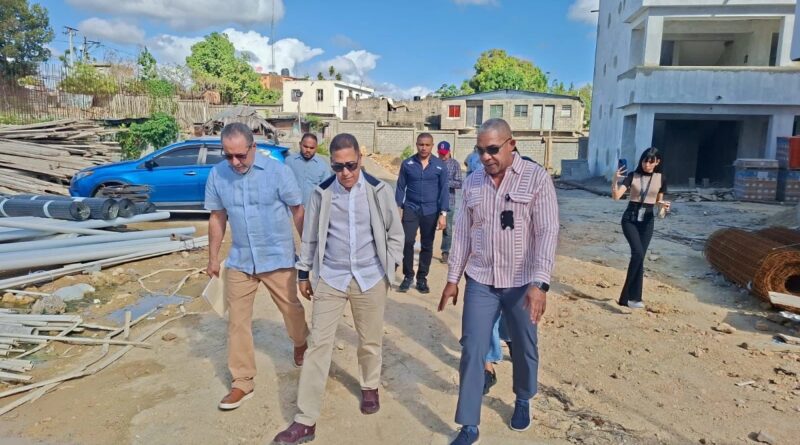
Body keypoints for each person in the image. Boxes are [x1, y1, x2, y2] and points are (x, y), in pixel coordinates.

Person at [272, 133, 404, 445]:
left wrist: (390, 266)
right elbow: (310, 238)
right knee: (318, 345)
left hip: (369, 277)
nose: (345, 172)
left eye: (351, 165)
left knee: (369, 340)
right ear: (330, 164)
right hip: (331, 277)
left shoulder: (379, 191)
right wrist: (303, 273)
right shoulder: (322, 194)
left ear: (360, 159)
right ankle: (305, 419)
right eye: (338, 166)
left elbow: (395, 233)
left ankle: (369, 385)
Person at [439, 118, 559, 445]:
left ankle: (523, 398)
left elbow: (547, 232)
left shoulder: (536, 178)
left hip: (522, 281)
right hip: (481, 279)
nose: (485, 157)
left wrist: (540, 284)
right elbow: (462, 233)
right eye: (480, 151)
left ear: (511, 144)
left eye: (492, 149)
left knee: (524, 344)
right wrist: (453, 278)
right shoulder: (473, 182)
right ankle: (469, 424)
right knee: (473, 347)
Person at [204, 123, 310, 411]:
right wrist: (213, 257)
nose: (235, 162)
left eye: (240, 155)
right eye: (228, 155)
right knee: (237, 321)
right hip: (241, 260)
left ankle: (301, 341)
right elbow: (217, 217)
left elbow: (297, 211)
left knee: (291, 309)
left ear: (253, 147)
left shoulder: (278, 172)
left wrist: (309, 253)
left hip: (277, 256)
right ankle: (242, 381)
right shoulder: (218, 175)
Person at [611, 147, 670, 309]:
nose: (647, 165)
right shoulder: (633, 176)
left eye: (651, 162)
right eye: (645, 161)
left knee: (640, 257)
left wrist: (664, 208)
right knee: (637, 253)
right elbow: (616, 197)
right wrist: (615, 181)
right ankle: (631, 298)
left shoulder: (661, 178)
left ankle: (630, 299)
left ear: (657, 162)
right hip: (630, 218)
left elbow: (659, 206)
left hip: (648, 220)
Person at [395, 133, 449, 294]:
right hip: (411, 208)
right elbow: (400, 187)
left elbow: (444, 190)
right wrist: (398, 208)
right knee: (407, 241)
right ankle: (408, 276)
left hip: (431, 211)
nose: (423, 148)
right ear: (416, 144)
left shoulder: (440, 165)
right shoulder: (408, 164)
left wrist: (443, 214)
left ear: (432, 146)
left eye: (427, 145)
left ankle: (422, 278)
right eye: (421, 144)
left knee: (427, 244)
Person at [285, 133, 332, 205]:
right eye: (305, 146)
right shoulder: (289, 162)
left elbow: (327, 189)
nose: (308, 150)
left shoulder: (323, 165)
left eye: (312, 148)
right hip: (292, 208)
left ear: (316, 148)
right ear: (300, 144)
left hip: (313, 209)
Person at [437, 141, 463, 264]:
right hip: (433, 201)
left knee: (447, 229)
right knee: (428, 226)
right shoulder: (433, 162)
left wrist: (445, 182)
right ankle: (427, 249)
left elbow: (459, 183)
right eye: (440, 153)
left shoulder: (455, 164)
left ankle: (445, 252)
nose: (443, 156)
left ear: (449, 152)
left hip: (449, 201)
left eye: (445, 153)